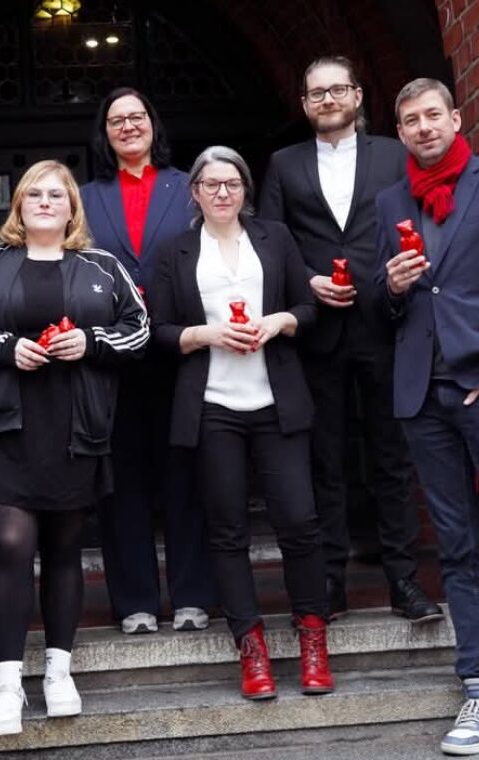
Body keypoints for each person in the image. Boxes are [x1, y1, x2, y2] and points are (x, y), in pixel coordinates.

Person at [0, 160, 148, 735]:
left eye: (57, 194)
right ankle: (8, 681)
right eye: (35, 193)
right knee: (11, 545)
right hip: (8, 424)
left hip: (77, 426)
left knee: (63, 547)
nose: (45, 201)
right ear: (19, 204)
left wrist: (93, 340)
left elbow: (140, 329)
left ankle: (58, 670)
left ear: (72, 206)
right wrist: (8, 349)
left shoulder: (101, 266)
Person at [374, 77, 479, 756]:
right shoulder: (389, 201)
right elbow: (391, 313)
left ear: (455, 117)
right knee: (459, 550)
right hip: (424, 397)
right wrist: (390, 287)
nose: (421, 127)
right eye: (409, 119)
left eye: (431, 115)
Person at [260, 56, 441, 623]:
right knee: (326, 462)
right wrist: (305, 282)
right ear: (305, 104)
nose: (327, 100)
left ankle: (404, 582)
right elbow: (269, 239)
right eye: (316, 93)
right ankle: (330, 582)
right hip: (317, 333)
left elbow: (423, 220)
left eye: (337, 89)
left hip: (388, 326)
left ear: (358, 96)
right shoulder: (283, 164)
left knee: (391, 459)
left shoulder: (394, 154)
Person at [151, 145, 333, 699]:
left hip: (275, 402)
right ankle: (250, 646)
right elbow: (158, 330)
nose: (223, 192)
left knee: (299, 521)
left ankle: (311, 637)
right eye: (212, 184)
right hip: (212, 407)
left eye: (232, 183)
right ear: (195, 193)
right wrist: (205, 334)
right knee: (227, 529)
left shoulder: (275, 238)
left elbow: (308, 307)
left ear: (245, 189)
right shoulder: (175, 251)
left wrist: (279, 320)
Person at [81, 86, 215, 635]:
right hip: (114, 356)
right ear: (104, 132)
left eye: (138, 116)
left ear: (154, 125)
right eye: (117, 120)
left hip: (179, 348)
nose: (128, 126)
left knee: (186, 473)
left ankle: (192, 595)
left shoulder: (189, 188)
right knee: (123, 479)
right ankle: (135, 601)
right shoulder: (87, 196)